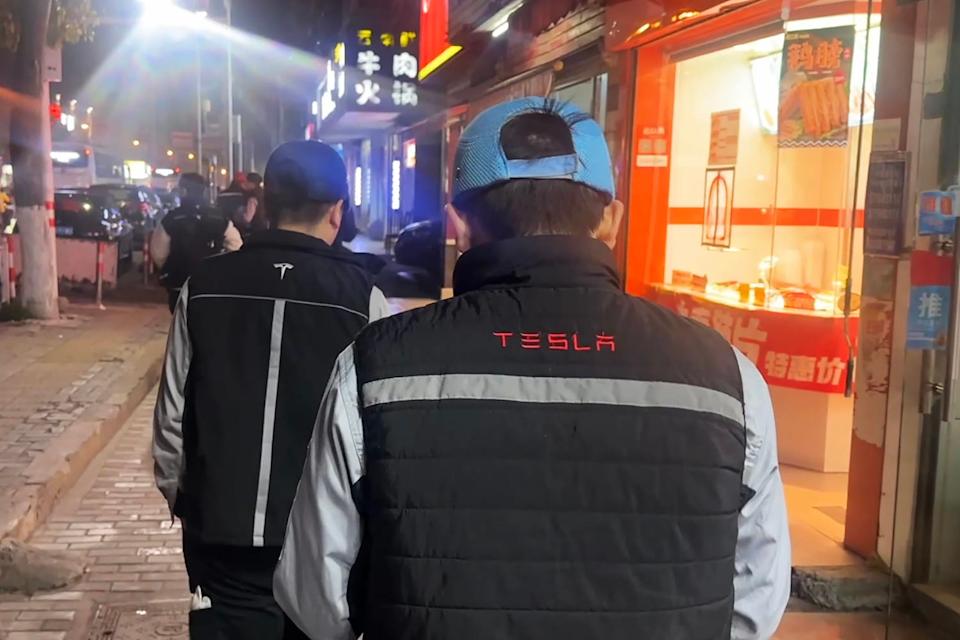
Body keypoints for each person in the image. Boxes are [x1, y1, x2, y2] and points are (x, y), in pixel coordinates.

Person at [275, 98, 791, 640]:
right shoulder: (726, 379)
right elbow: (755, 604)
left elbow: (316, 600)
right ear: (612, 220)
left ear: (460, 226)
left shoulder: (375, 368)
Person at [153, 140, 389, 640]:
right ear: (338, 211)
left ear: (262, 204)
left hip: (220, 537)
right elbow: (380, 428)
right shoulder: (363, 298)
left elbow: (172, 415)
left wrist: (187, 500)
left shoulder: (205, 285)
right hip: (326, 541)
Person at [151, 173, 242, 312]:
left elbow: (158, 253)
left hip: (179, 285)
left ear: (183, 191)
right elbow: (236, 247)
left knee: (181, 327)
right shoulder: (219, 217)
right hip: (211, 285)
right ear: (204, 191)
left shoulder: (171, 219)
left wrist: (173, 267)